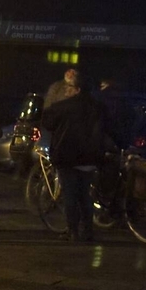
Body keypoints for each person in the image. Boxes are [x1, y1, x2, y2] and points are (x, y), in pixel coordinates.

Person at [41, 77, 106, 242]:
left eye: (69, 87)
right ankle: (88, 230)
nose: (66, 89)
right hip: (89, 156)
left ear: (77, 90)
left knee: (70, 194)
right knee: (85, 194)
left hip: (67, 155)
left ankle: (73, 230)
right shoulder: (97, 107)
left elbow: (47, 122)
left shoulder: (62, 107)